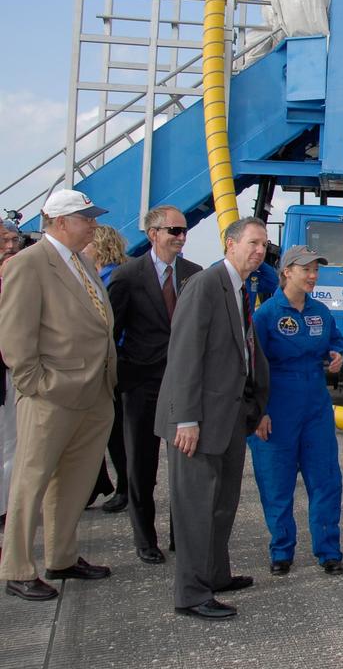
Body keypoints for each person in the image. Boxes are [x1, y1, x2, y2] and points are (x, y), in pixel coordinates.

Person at [0, 190, 116, 602]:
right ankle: (16, 567)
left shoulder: (81, 262)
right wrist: (37, 386)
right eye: (86, 217)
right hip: (51, 395)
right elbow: (15, 338)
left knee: (75, 479)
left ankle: (62, 556)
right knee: (31, 481)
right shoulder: (28, 265)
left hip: (94, 392)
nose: (93, 224)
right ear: (61, 221)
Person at [155, 216, 271, 620]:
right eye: (253, 243)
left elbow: (242, 354)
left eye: (264, 245)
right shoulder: (205, 285)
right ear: (230, 244)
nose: (259, 251)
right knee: (195, 509)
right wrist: (185, 418)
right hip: (197, 422)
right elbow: (184, 354)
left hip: (229, 418)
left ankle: (216, 575)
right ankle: (191, 593)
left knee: (222, 504)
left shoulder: (241, 289)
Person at [107, 205, 201, 564]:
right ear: (153, 234)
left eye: (184, 230)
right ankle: (145, 538)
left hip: (183, 386)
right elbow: (111, 334)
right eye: (173, 230)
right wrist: (117, 378)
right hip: (142, 384)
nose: (180, 237)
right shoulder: (128, 276)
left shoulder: (194, 275)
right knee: (141, 466)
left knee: (185, 466)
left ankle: (183, 535)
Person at [248, 245, 343, 576]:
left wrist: (337, 355)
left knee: (326, 479)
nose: (313, 276)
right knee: (277, 482)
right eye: (306, 269)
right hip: (277, 403)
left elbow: (337, 341)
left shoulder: (320, 311)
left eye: (316, 270)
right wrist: (259, 411)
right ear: (287, 271)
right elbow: (251, 367)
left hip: (315, 404)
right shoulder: (265, 315)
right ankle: (281, 550)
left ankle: (328, 550)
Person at [85, 224, 131, 514]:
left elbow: (110, 329)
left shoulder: (110, 280)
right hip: (111, 363)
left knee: (115, 432)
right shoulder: (104, 277)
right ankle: (101, 482)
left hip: (115, 366)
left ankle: (124, 487)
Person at [0, 218, 24, 531]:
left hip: (13, 374)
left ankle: (7, 512)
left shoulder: (16, 277)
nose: (9, 246)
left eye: (13, 240)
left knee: (12, 447)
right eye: (3, 240)